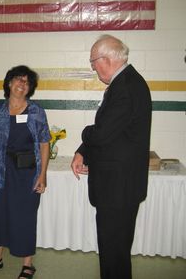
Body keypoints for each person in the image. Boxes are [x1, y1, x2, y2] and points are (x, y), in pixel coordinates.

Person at [71, 35, 152, 279]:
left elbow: (102, 132)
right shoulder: (125, 83)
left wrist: (84, 133)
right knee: (114, 251)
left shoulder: (125, 88)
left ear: (105, 59)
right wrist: (82, 151)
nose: (92, 67)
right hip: (119, 187)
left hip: (118, 189)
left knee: (114, 253)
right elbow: (111, 132)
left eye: (93, 62)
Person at [0, 65, 50, 279]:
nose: (22, 84)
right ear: (9, 83)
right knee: (0, 214)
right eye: (18, 79)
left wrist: (42, 175)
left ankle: (28, 264)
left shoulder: (36, 111)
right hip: (1, 171)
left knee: (24, 217)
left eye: (26, 82)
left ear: (30, 88)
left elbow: (45, 144)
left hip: (27, 174)